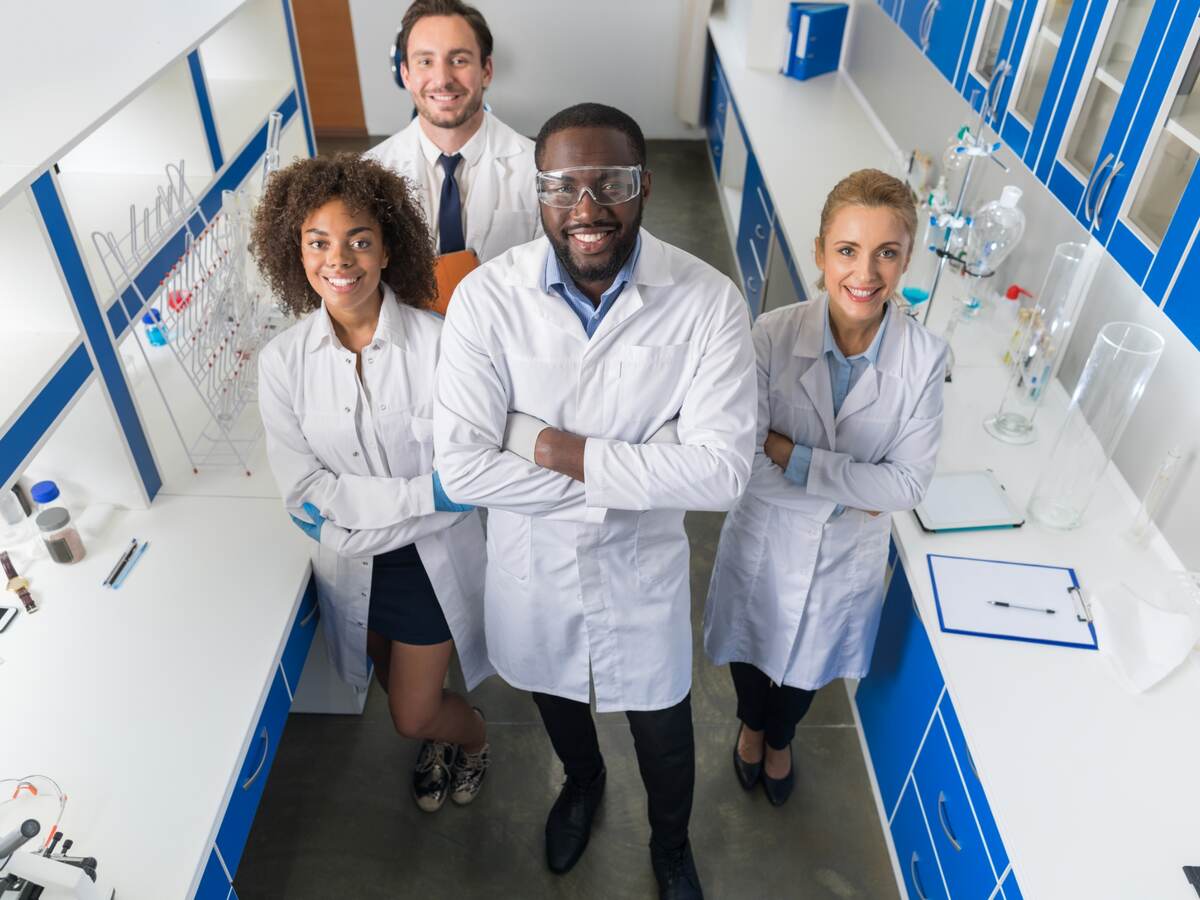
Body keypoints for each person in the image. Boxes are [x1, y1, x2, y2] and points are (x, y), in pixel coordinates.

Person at [433, 102, 756, 900]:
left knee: (665, 729)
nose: (587, 208)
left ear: (643, 186)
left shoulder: (707, 300)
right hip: (533, 568)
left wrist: (549, 445)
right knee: (555, 694)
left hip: (640, 575)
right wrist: (642, 468)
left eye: (610, 182)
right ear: (538, 192)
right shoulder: (486, 300)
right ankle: (582, 783)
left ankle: (672, 845)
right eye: (563, 185)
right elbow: (464, 471)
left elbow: (721, 475)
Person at [254, 153, 493, 815]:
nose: (341, 259)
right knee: (394, 686)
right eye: (318, 243)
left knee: (412, 715)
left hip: (426, 564)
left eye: (360, 240)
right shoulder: (281, 364)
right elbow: (303, 489)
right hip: (354, 566)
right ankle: (444, 736)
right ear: (294, 253)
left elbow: (465, 480)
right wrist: (424, 496)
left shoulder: (445, 347)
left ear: (388, 249)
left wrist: (347, 511)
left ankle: (471, 738)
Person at [704, 169, 948, 806]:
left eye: (886, 253)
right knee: (752, 654)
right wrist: (853, 492)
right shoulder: (769, 337)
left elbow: (908, 484)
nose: (864, 273)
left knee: (808, 672)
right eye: (847, 250)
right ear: (819, 252)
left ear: (905, 260)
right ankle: (752, 730)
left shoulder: (924, 360)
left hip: (843, 562)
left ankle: (780, 740)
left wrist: (793, 455)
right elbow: (745, 461)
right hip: (766, 538)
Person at [367, 0, 540, 263]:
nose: (443, 79)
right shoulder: (370, 172)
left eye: (459, 60)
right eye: (425, 61)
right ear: (406, 75)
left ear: (486, 71)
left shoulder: (537, 168)